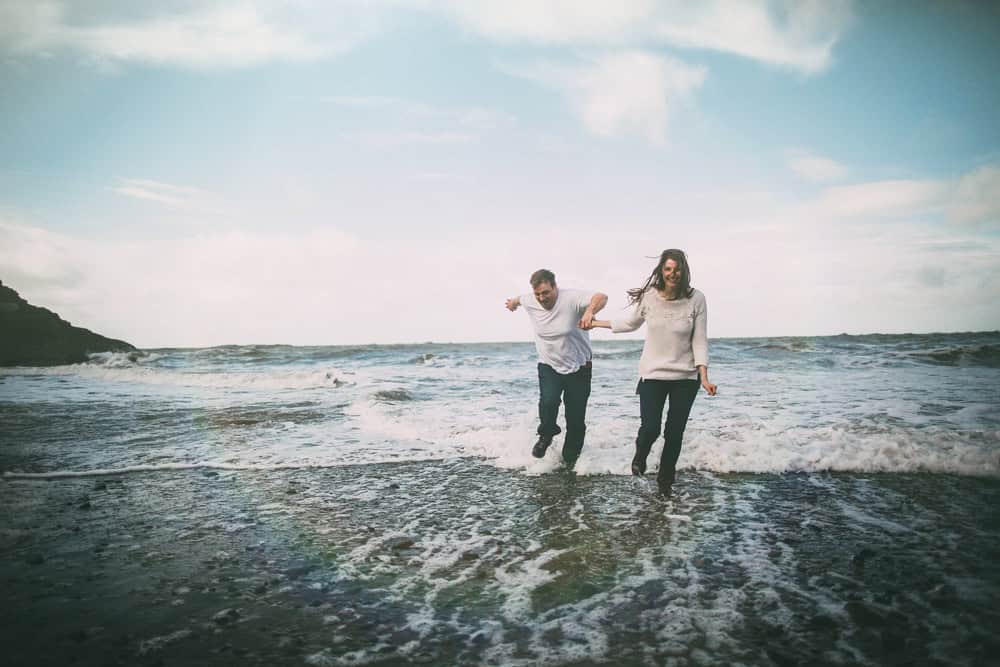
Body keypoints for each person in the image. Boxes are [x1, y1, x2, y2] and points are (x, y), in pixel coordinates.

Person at [588, 249, 716, 496]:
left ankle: (665, 481)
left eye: (677, 269)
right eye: (668, 269)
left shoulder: (697, 299)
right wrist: (596, 323)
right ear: (661, 271)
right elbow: (630, 323)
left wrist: (704, 377)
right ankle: (640, 454)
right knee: (651, 428)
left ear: (684, 271)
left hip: (685, 378)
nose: (673, 274)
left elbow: (699, 340)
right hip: (652, 375)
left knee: (674, 432)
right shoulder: (650, 297)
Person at [506, 269, 608, 467]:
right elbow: (518, 300)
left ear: (555, 287)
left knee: (575, 418)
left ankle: (570, 461)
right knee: (548, 401)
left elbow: (601, 297)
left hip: (579, 368)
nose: (542, 298)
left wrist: (589, 311)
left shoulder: (571, 298)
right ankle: (546, 435)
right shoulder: (530, 300)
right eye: (538, 294)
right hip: (549, 365)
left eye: (546, 292)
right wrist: (512, 304)